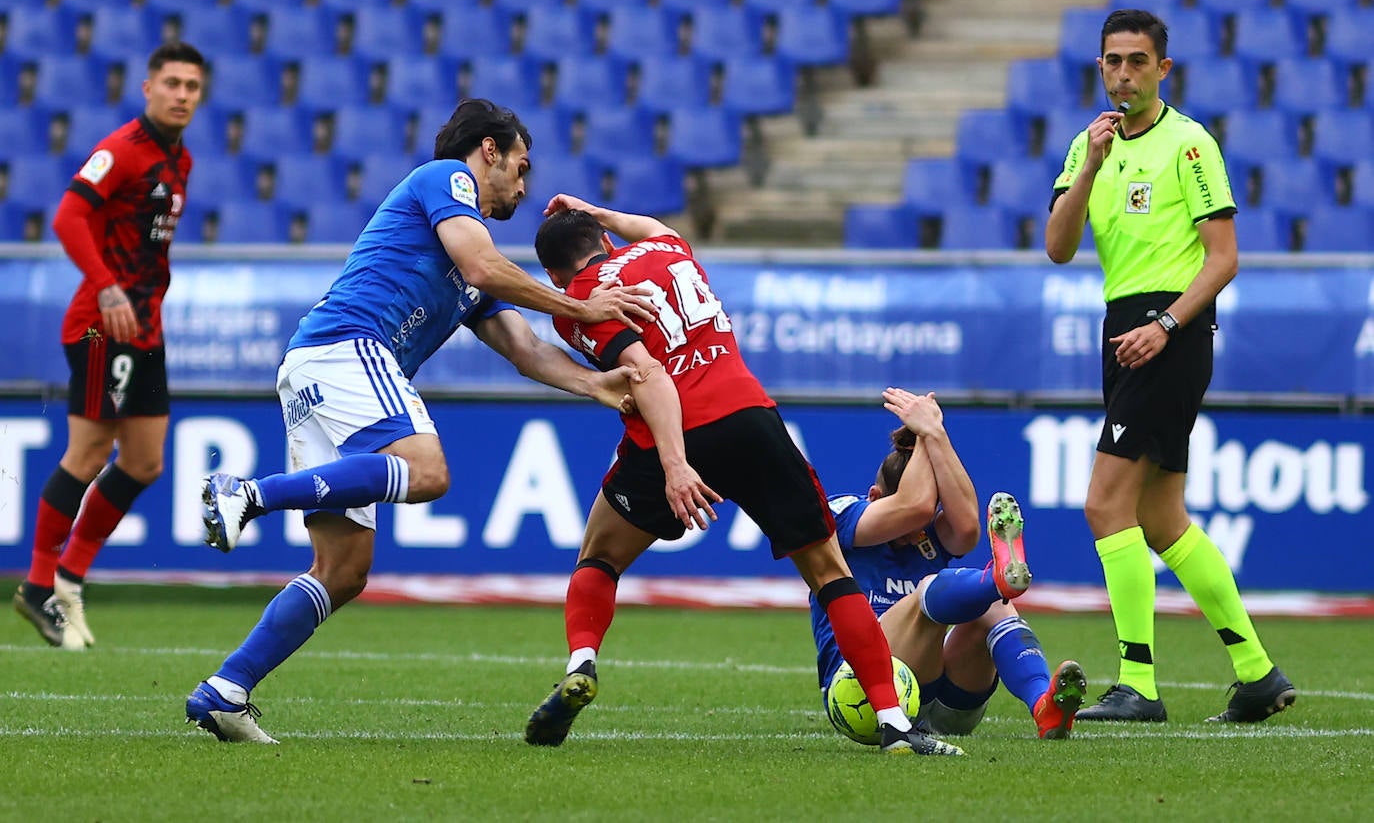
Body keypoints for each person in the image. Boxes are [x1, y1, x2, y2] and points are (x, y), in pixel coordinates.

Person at [185, 99, 657, 744]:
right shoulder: (446, 180)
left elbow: (525, 349)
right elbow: (485, 267)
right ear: (488, 150)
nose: (524, 183)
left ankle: (225, 691)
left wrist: (594, 384)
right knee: (428, 471)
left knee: (344, 569)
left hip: (315, 367)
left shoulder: (474, 259)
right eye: (521, 165)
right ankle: (247, 494)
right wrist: (585, 304)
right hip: (348, 346)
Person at [523, 196, 964, 757]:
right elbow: (651, 224)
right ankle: (894, 723)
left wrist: (676, 463)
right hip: (752, 417)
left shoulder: (578, 301)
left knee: (601, 556)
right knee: (829, 573)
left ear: (553, 274)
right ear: (606, 240)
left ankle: (581, 661)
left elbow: (645, 372)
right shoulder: (665, 247)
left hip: (675, 429)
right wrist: (597, 211)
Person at [1045, 8, 1295, 723]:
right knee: (1159, 515)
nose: (1124, 73)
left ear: (1163, 69)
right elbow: (1059, 247)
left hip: (1171, 330)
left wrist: (1164, 324)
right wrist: (1090, 165)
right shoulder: (1085, 148)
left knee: (1103, 503)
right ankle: (1254, 671)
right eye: (1112, 61)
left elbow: (1225, 258)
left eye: (1137, 61)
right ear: (1100, 68)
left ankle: (1139, 684)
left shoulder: (1190, 145)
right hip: (1124, 327)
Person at [13, 42, 206, 650]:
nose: (181, 95)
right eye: (171, 83)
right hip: (100, 325)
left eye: (192, 86)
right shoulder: (121, 151)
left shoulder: (181, 161)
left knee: (146, 461)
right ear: (147, 88)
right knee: (90, 450)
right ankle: (38, 584)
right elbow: (69, 217)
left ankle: (70, 578)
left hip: (144, 328)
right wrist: (107, 288)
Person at [811, 387, 1086, 742]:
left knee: (992, 607)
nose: (920, 533)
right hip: (860, 695)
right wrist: (927, 431)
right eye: (909, 529)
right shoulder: (845, 515)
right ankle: (996, 582)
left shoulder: (929, 530)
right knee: (933, 592)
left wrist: (935, 433)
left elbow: (968, 528)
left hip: (946, 704)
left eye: (930, 521)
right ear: (876, 498)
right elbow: (915, 506)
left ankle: (1043, 706)